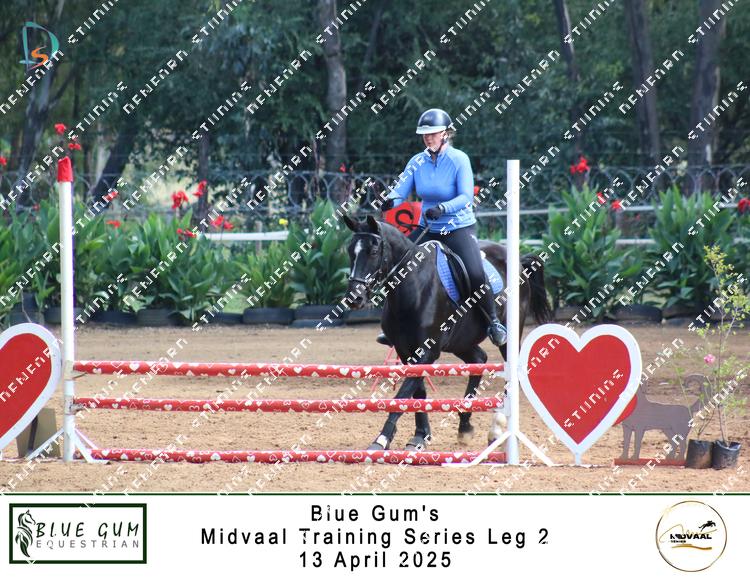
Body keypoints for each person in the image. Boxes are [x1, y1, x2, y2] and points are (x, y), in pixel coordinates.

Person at [379, 108, 507, 347]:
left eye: (433, 134)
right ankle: (393, 326)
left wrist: (443, 208)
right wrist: (389, 200)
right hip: (428, 228)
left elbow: (466, 197)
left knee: (474, 272)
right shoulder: (417, 161)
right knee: (398, 264)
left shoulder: (459, 159)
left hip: (458, 228)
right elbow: (400, 191)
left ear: (445, 134)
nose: (428, 138)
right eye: (425, 135)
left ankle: (493, 321)